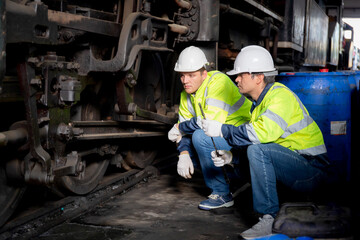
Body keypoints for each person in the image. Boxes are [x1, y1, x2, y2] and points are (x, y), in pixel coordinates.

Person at [201, 45, 330, 239]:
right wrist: (231, 158)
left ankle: (268, 219)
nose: (236, 79)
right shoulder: (259, 104)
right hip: (298, 165)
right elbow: (261, 145)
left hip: (314, 171)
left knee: (257, 149)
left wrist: (221, 129)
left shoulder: (280, 96)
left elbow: (260, 137)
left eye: (241, 75)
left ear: (259, 77)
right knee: (255, 151)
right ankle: (271, 215)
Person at [168, 46, 252, 210]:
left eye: (191, 75)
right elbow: (183, 133)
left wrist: (179, 126)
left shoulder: (218, 82)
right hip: (223, 140)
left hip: (245, 138)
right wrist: (183, 154)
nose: (185, 80)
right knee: (189, 148)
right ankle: (233, 178)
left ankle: (222, 193)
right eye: (182, 75)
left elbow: (208, 124)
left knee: (200, 137)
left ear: (204, 74)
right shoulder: (185, 96)